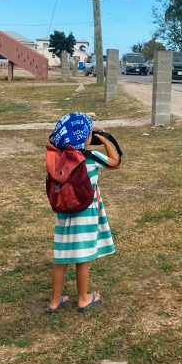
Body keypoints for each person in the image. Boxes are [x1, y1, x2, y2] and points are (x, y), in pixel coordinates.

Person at [46, 112, 121, 314]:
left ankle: (54, 301)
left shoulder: (57, 158)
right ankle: (83, 298)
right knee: (82, 259)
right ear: (86, 137)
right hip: (86, 216)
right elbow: (116, 161)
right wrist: (105, 138)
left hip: (63, 214)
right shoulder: (91, 157)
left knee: (60, 259)